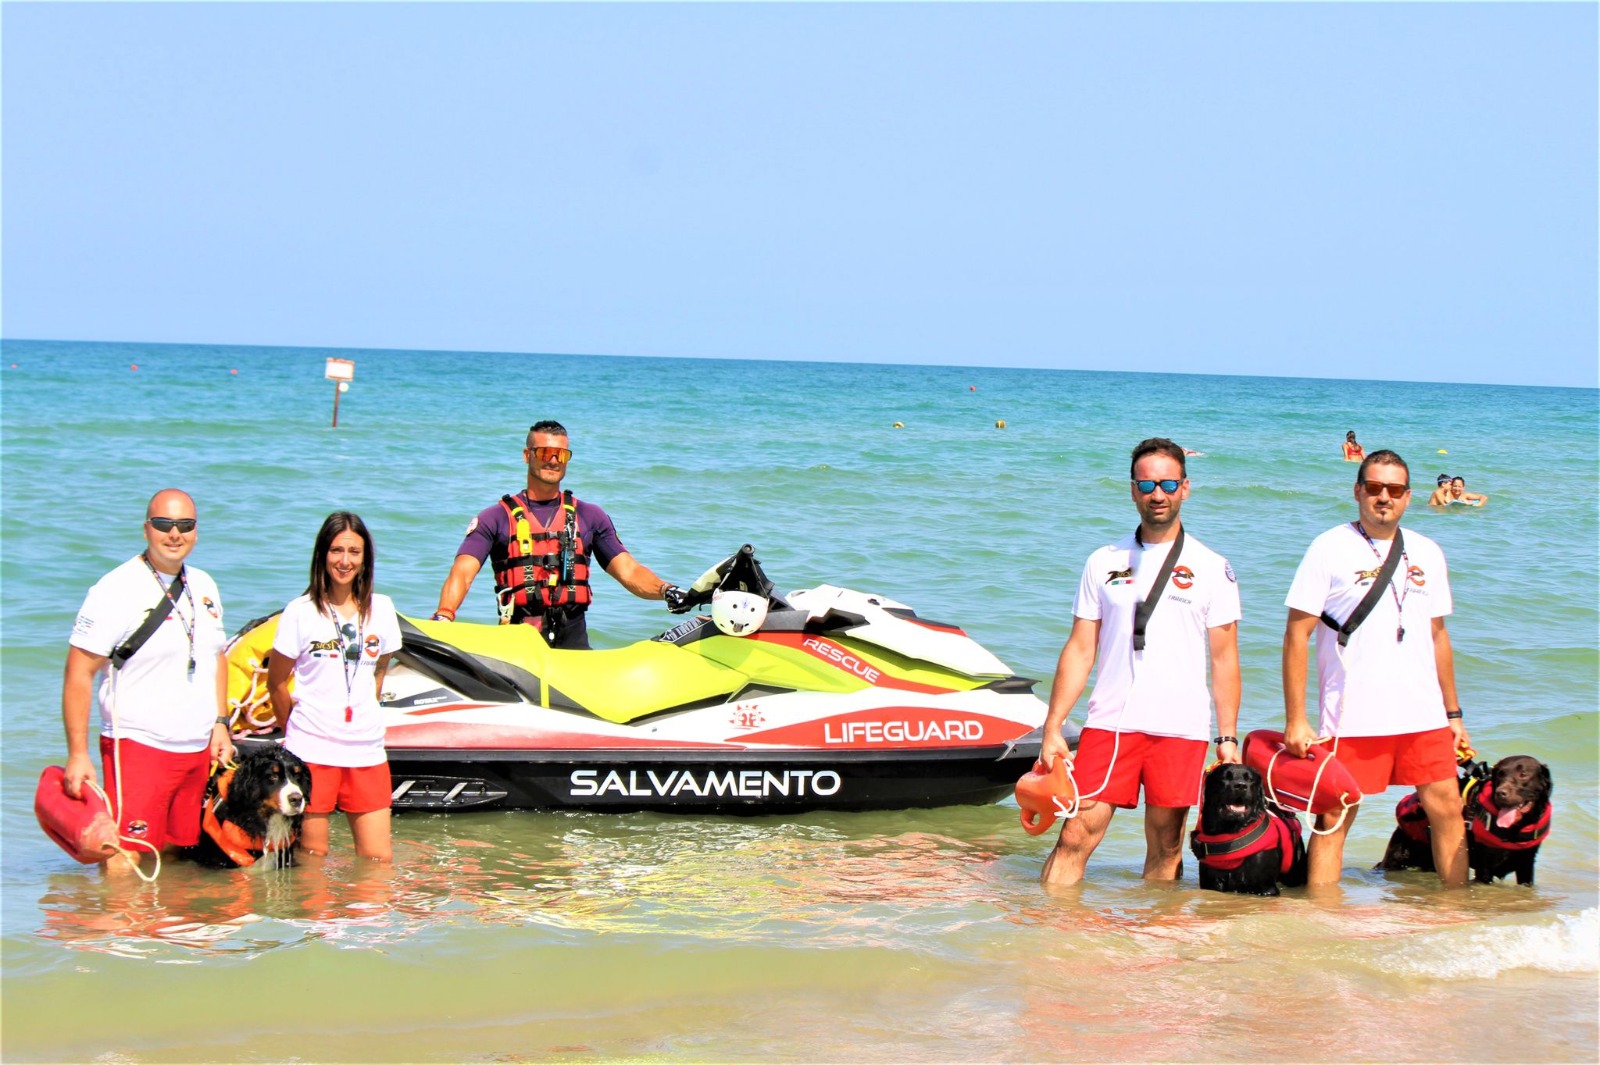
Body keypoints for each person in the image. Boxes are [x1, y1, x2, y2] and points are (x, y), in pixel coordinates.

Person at [1039, 438, 1242, 887]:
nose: (1158, 493)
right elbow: (1079, 648)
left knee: (1167, 844)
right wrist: (1054, 726)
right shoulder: (1103, 561)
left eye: (1168, 483)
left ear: (1185, 488)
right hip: (1111, 723)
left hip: (1181, 727)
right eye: (1147, 483)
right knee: (1075, 833)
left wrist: (1227, 737)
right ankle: (1048, 943)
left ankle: (1153, 949)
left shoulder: (1212, 567)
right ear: (1132, 490)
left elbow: (1225, 659)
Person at [1281, 449, 1471, 887]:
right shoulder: (1328, 547)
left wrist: (1454, 715)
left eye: (1395, 489)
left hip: (1421, 712)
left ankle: (1455, 913)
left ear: (1408, 497)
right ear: (1358, 492)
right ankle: (1322, 920)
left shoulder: (1427, 550)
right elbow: (1296, 636)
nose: (1384, 497)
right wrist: (1296, 718)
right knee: (1336, 814)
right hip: (1352, 713)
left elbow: (1438, 636)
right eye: (1374, 488)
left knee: (1447, 806)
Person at [61, 489, 234, 868]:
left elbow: (215, 657)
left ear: (196, 532)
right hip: (137, 746)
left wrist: (221, 724)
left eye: (185, 525)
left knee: (172, 856)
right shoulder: (116, 588)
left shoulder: (204, 585)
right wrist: (77, 754)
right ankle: (125, 926)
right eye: (163, 524)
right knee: (126, 860)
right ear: (146, 529)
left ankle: (161, 926)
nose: (174, 534)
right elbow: (79, 671)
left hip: (194, 749)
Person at [432, 420, 686, 648]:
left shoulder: (590, 515)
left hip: (573, 642)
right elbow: (462, 574)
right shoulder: (495, 518)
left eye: (561, 454)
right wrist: (444, 615)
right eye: (544, 452)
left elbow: (629, 571)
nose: (553, 460)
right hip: (518, 641)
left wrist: (666, 590)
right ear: (527, 455)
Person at [268, 512, 401, 861]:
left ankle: (364, 918)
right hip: (312, 753)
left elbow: (379, 669)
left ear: (365, 558)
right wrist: (295, 729)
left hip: (367, 751)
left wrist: (362, 712)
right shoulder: (300, 612)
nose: (345, 561)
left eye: (354, 552)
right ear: (322, 555)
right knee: (312, 859)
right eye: (336, 550)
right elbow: (276, 682)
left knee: (377, 861)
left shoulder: (383, 610)